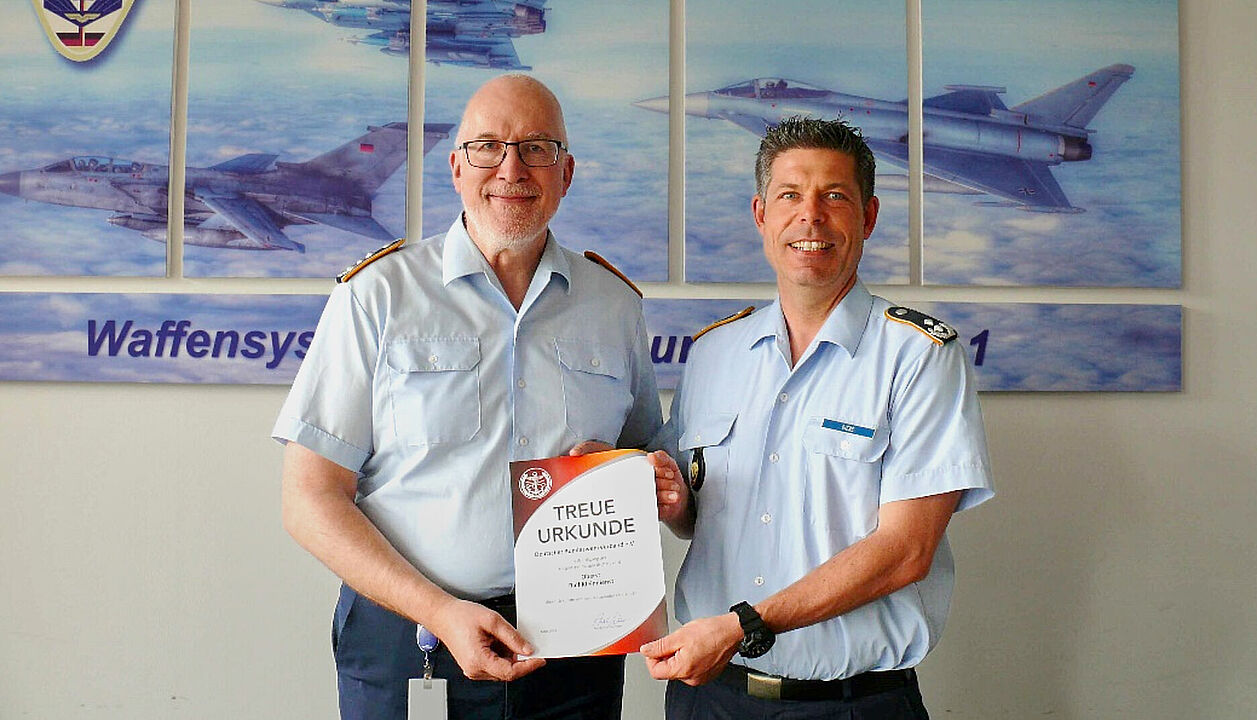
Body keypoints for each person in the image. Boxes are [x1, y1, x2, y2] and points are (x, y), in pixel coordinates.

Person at [272, 74, 661, 720]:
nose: (511, 168)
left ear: (567, 174)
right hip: (413, 643)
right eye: (488, 147)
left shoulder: (614, 306)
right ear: (456, 168)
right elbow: (308, 498)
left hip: (573, 653)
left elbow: (648, 460)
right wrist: (439, 612)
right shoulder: (377, 297)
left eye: (538, 148)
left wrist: (643, 477)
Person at [640, 116, 995, 719]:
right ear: (761, 214)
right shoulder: (713, 355)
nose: (811, 216)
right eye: (790, 195)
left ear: (869, 217)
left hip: (853, 705)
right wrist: (675, 504)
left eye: (835, 196)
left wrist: (742, 625)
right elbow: (700, 515)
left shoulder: (921, 356)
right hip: (713, 700)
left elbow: (908, 550)